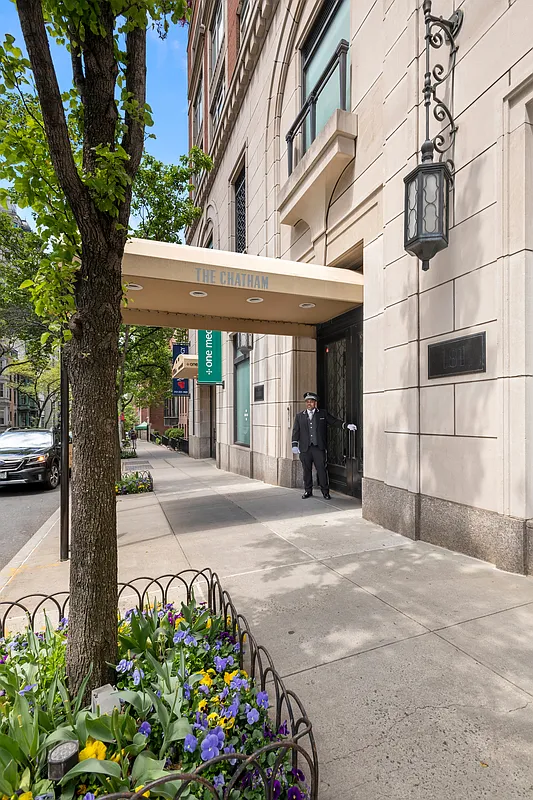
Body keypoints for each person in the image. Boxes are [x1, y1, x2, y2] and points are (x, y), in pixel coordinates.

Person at [291, 391, 357, 500]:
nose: (309, 403)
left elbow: (334, 422)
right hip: (305, 449)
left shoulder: (322, 414)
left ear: (315, 403)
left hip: (318, 448)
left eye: (311, 401)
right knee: (306, 471)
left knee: (321, 470)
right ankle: (308, 491)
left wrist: (346, 426)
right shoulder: (299, 416)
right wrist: (294, 444)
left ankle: (325, 492)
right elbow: (295, 431)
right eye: (307, 401)